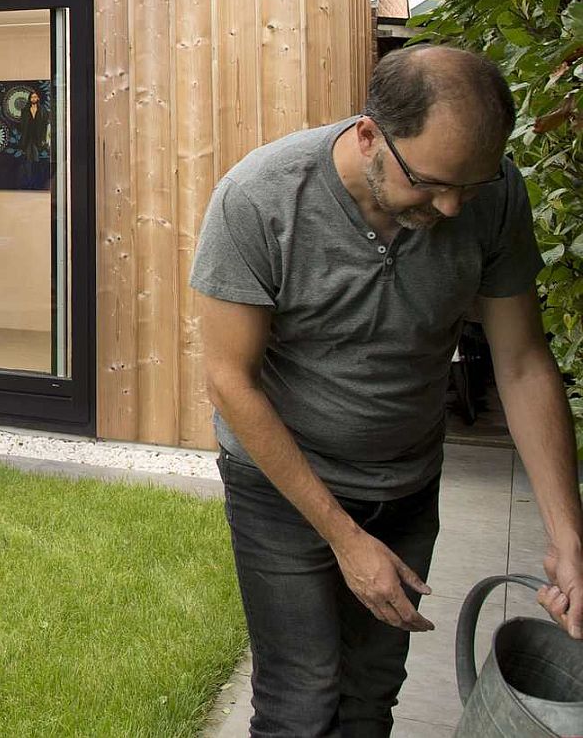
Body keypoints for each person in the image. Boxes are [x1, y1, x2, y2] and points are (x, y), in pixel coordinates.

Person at [194, 46, 583, 735]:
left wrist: (566, 533)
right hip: (283, 487)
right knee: (302, 700)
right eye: (431, 183)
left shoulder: (491, 197)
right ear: (370, 134)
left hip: (405, 482)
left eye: (472, 183)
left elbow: (522, 361)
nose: (453, 205)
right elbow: (229, 381)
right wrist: (345, 540)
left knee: (372, 694)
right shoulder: (260, 197)